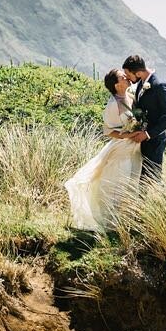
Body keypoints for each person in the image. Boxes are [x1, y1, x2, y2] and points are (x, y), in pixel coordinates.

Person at [63, 68, 143, 231]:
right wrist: (130, 134)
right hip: (121, 149)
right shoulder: (113, 104)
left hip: (135, 148)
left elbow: (138, 117)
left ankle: (125, 218)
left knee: (132, 182)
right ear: (116, 84)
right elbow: (108, 131)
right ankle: (109, 221)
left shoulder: (130, 96)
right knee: (118, 182)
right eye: (123, 76)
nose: (127, 78)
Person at [121, 54, 166, 182]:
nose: (127, 77)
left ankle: (158, 201)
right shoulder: (141, 83)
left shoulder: (159, 86)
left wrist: (147, 134)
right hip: (143, 140)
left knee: (152, 179)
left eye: (128, 74)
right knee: (143, 177)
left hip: (155, 141)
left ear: (138, 73)